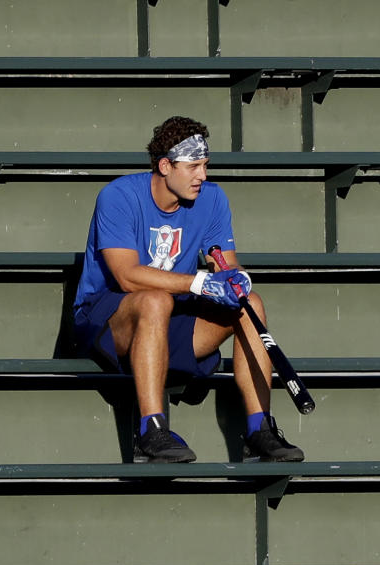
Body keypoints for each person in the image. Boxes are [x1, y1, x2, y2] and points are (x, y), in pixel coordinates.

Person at [73, 115, 305, 463]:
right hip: (105, 318)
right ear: (165, 166)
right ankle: (150, 431)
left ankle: (260, 430)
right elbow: (127, 277)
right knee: (153, 300)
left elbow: (224, 262)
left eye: (206, 165)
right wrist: (197, 282)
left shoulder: (212, 199)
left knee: (250, 304)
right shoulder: (118, 196)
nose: (203, 175)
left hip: (169, 315)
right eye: (194, 166)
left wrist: (236, 277)